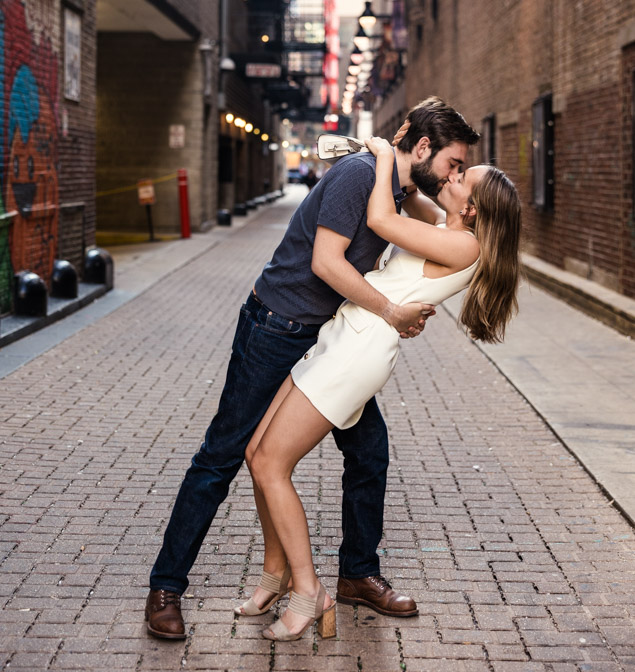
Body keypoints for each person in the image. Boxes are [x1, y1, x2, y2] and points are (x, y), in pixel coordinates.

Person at [145, 97, 480, 640]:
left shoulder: (396, 187)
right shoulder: (358, 176)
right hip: (278, 329)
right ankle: (166, 587)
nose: (456, 174)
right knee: (224, 455)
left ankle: (356, 575)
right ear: (422, 149)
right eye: (452, 164)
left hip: (326, 338)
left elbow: (438, 234)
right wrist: (392, 310)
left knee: (368, 452)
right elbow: (327, 263)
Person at [243, 136, 521, 641]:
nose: (452, 176)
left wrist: (386, 158)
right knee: (254, 450)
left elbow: (380, 221)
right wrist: (390, 163)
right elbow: (409, 197)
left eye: (462, 176)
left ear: (475, 207)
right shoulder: (448, 228)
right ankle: (275, 574)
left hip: (358, 353)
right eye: (456, 167)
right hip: (345, 335)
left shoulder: (464, 245)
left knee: (270, 463)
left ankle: (310, 594)